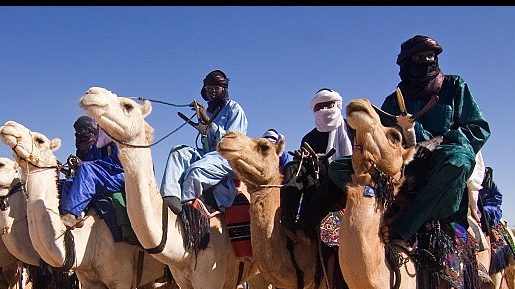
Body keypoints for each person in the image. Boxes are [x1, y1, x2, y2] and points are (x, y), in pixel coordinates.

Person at [296, 35, 491, 247]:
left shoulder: (454, 87)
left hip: (441, 164)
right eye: (420, 57)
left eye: (431, 56)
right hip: (403, 169)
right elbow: (382, 140)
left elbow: (478, 128)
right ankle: (314, 226)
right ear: (408, 64)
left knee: (458, 161)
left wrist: (437, 141)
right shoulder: (392, 102)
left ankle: (403, 228)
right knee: (340, 168)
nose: (427, 61)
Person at [158, 69, 248, 215]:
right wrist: (203, 124)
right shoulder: (210, 112)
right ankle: (170, 197)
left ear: (224, 89)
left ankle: (189, 215)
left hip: (227, 158)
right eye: (208, 88)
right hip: (209, 155)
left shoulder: (234, 109)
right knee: (178, 151)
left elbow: (232, 143)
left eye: (216, 88)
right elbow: (207, 144)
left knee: (195, 171)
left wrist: (208, 122)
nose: (211, 91)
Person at [280, 88, 354, 242]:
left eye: (328, 105)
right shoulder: (309, 138)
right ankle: (288, 221)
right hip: (318, 181)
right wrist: (304, 160)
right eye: (319, 107)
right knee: (292, 167)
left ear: (337, 105)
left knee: (335, 170)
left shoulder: (353, 130)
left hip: (347, 179)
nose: (324, 110)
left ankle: (307, 224)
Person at [58, 116, 126, 229]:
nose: (79, 134)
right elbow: (88, 165)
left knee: (86, 168)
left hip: (119, 174)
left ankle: (72, 214)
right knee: (69, 182)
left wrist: (85, 165)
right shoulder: (98, 144)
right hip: (103, 176)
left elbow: (118, 162)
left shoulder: (117, 139)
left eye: (82, 130)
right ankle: (71, 216)